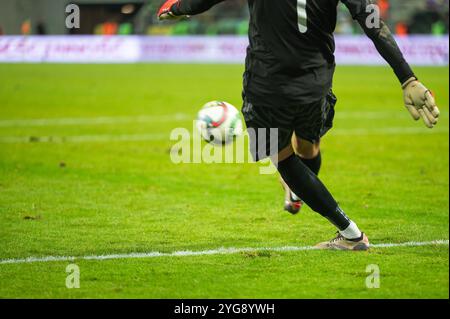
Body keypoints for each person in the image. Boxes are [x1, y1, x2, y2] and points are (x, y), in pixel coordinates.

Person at [157, 0, 440, 250]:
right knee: (307, 144)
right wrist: (408, 78)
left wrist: (177, 7)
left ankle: (350, 234)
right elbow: (373, 23)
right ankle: (299, 190)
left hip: (266, 86)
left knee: (282, 159)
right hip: (315, 85)